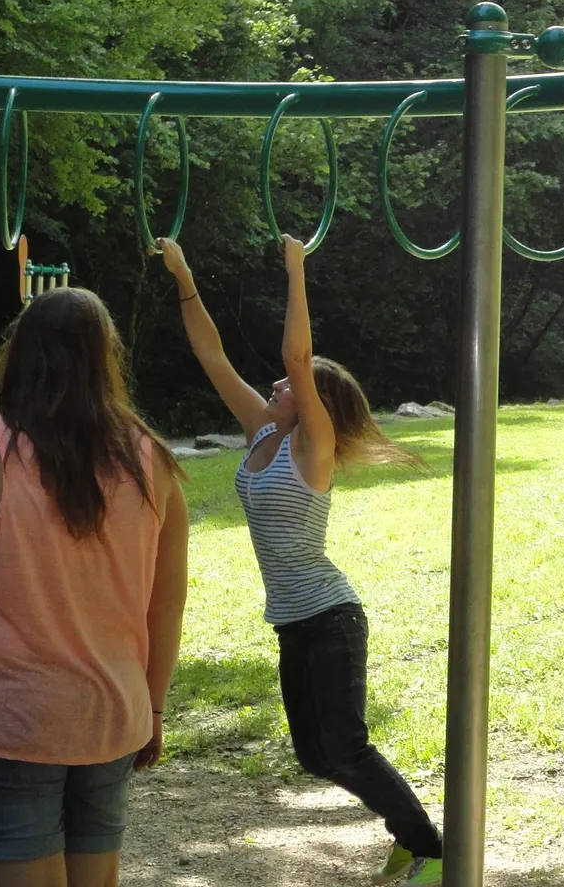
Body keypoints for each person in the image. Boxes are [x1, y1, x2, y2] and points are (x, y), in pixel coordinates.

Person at [160, 236, 444, 886]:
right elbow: (210, 355)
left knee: (346, 747)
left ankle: (431, 849)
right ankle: (415, 840)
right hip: (294, 622)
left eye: (290, 382)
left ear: (313, 401)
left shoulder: (311, 446)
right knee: (316, 757)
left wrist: (296, 269)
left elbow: (297, 352)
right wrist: (183, 273)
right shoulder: (266, 430)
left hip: (331, 617)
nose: (277, 380)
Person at [0, 287, 191, 887]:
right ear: (107, 359)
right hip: (110, 712)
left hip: (9, 717)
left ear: (21, 354)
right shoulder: (153, 461)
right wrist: (153, 706)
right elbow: (167, 604)